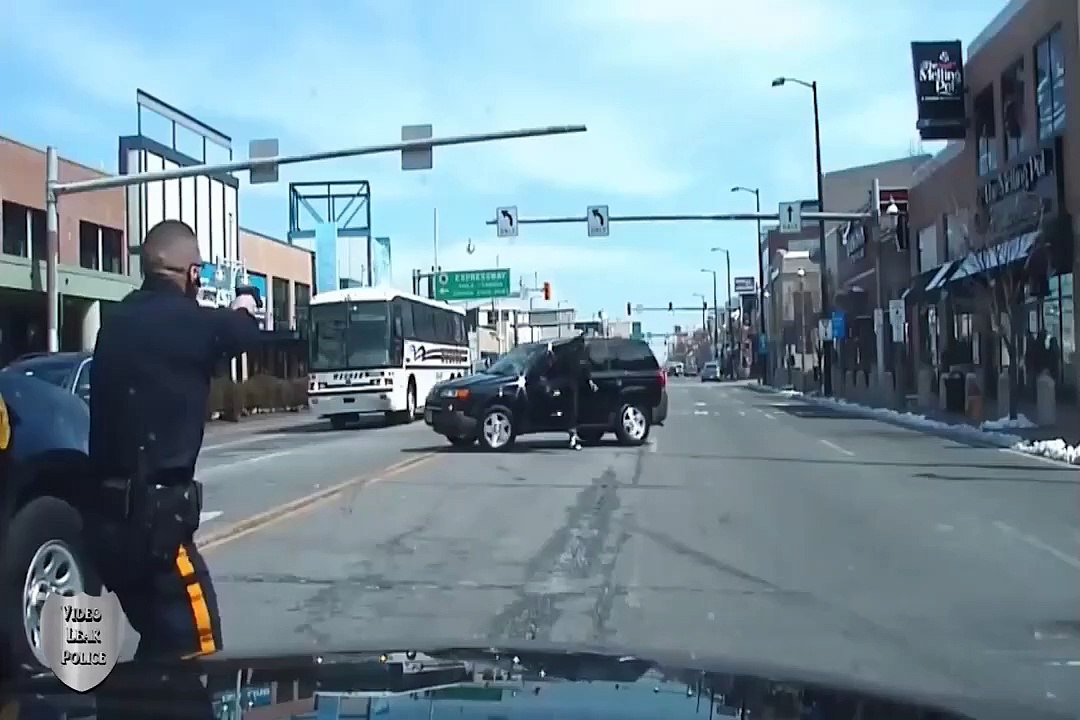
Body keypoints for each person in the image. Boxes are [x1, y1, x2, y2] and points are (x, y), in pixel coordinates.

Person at [88, 219, 262, 666]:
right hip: (157, 528)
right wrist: (245, 302)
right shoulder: (193, 324)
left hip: (106, 528)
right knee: (197, 646)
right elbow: (244, 332)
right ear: (193, 274)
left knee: (159, 643)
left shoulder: (114, 323)